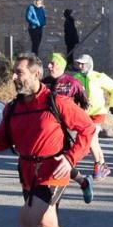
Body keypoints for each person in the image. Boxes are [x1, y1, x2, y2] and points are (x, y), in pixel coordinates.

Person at [0, 53, 97, 227]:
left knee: (27, 222)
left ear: (36, 74)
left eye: (19, 73)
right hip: (27, 172)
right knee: (48, 224)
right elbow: (3, 141)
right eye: (14, 73)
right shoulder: (12, 108)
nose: (14, 77)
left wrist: (70, 159)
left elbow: (88, 128)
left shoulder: (56, 102)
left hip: (53, 172)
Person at [41, 53, 94, 203]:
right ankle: (84, 182)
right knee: (56, 162)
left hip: (67, 128)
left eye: (53, 63)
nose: (49, 66)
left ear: (61, 66)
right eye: (49, 63)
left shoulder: (72, 82)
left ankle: (51, 203)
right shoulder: (44, 83)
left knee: (62, 162)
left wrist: (78, 117)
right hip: (49, 129)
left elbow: (85, 102)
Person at [72, 54, 113, 180]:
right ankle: (103, 165)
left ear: (89, 64)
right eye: (79, 63)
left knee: (92, 138)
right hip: (84, 115)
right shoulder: (76, 78)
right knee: (94, 141)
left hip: (98, 113)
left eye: (83, 64)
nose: (80, 66)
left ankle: (98, 165)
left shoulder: (98, 76)